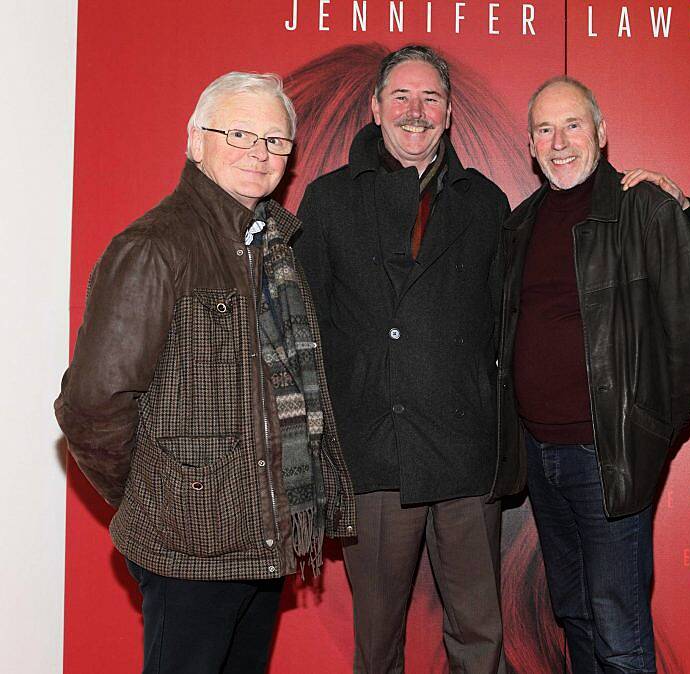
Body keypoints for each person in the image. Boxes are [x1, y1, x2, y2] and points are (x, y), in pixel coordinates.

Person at [54, 72, 355, 672]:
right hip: (187, 547)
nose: (259, 152)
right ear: (196, 141)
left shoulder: (273, 248)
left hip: (263, 540)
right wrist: (156, 493)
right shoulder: (154, 246)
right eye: (240, 133)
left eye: (275, 141)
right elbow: (91, 404)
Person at [490, 76, 690, 673]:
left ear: (601, 133)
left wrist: (649, 430)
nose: (559, 142)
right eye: (544, 129)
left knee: (619, 627)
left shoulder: (645, 207)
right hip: (540, 456)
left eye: (573, 125)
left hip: (608, 454)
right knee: (575, 614)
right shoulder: (519, 225)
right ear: (531, 145)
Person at [294, 45, 510, 673]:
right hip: (373, 454)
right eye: (402, 97)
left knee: (479, 638)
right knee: (378, 641)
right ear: (376, 108)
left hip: (466, 456)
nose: (416, 112)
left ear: (448, 113)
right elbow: (305, 328)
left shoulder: (486, 203)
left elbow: (504, 323)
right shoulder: (329, 200)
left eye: (431, 99)